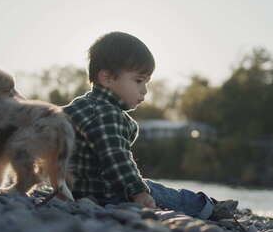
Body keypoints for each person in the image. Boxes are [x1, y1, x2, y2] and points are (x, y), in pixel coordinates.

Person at [63, 31, 237, 220]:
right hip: (103, 193)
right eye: (138, 80)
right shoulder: (107, 113)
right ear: (107, 78)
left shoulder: (78, 107)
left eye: (146, 82)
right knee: (153, 189)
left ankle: (203, 204)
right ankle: (207, 208)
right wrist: (138, 191)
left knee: (148, 187)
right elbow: (116, 158)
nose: (144, 90)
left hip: (75, 189)